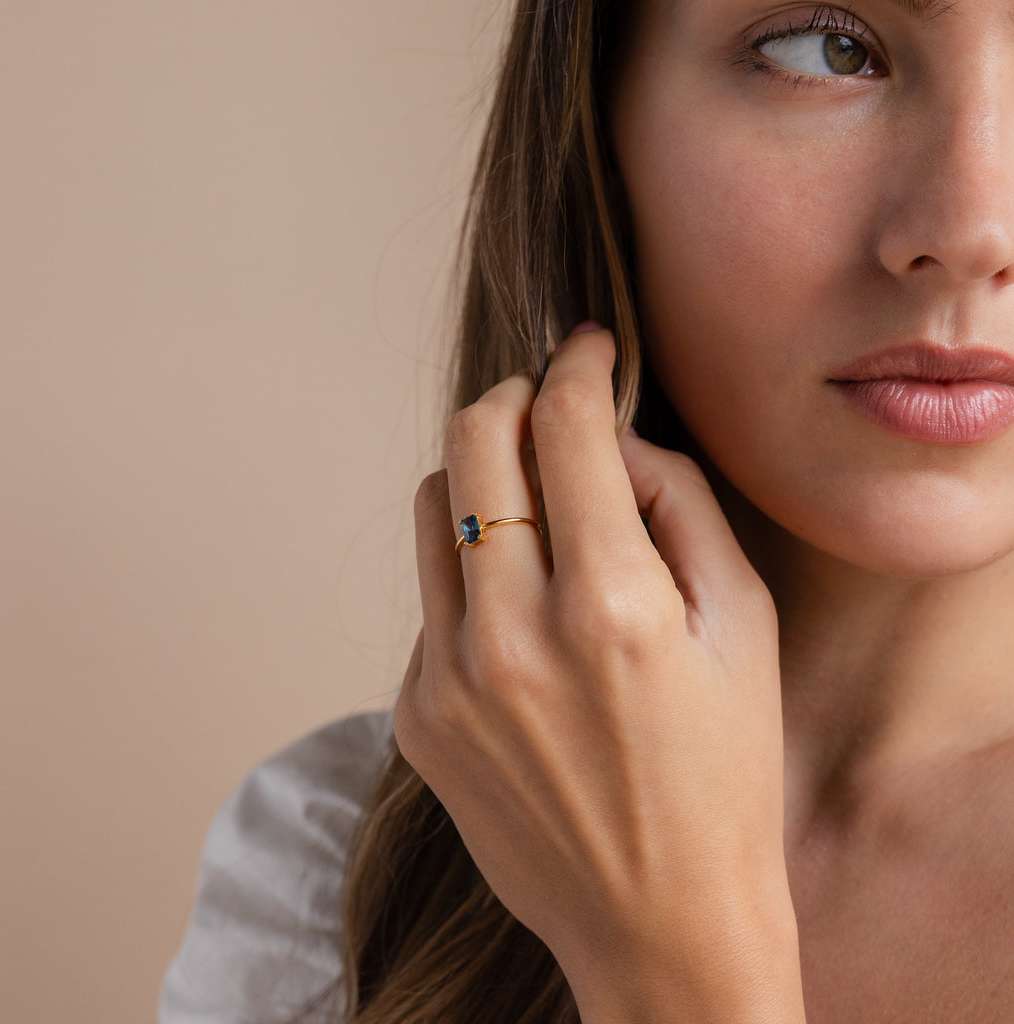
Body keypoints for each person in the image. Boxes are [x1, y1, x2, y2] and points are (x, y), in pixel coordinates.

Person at [160, 0, 1014, 1021]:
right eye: (828, 49)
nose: (973, 231)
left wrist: (677, 972)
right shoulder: (328, 868)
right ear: (597, 133)